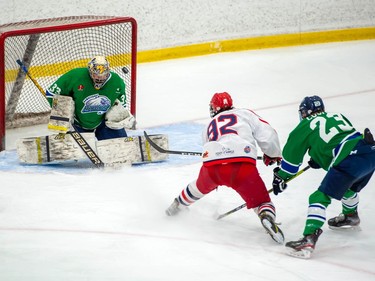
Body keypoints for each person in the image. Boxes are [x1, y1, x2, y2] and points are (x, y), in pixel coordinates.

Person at [166, 92, 285, 244]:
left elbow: (207, 146)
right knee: (261, 201)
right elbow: (268, 134)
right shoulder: (244, 114)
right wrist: (272, 154)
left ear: (214, 108)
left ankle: (178, 204)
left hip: (212, 168)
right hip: (242, 166)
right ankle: (266, 216)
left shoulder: (208, 125)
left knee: (198, 186)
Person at [272, 95, 375, 258]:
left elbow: (291, 162)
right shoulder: (337, 116)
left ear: (304, 112)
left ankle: (308, 239)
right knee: (346, 185)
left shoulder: (305, 125)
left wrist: (280, 176)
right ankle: (350, 215)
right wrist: (320, 157)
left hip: (350, 157)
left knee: (318, 197)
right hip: (369, 152)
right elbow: (338, 140)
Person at [46, 55, 135, 140]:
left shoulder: (117, 82)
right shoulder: (75, 76)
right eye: (96, 75)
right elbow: (51, 93)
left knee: (120, 149)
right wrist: (63, 113)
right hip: (75, 124)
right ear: (90, 71)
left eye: (103, 75)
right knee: (68, 153)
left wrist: (117, 116)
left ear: (108, 72)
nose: (100, 78)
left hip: (103, 123)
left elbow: (121, 104)